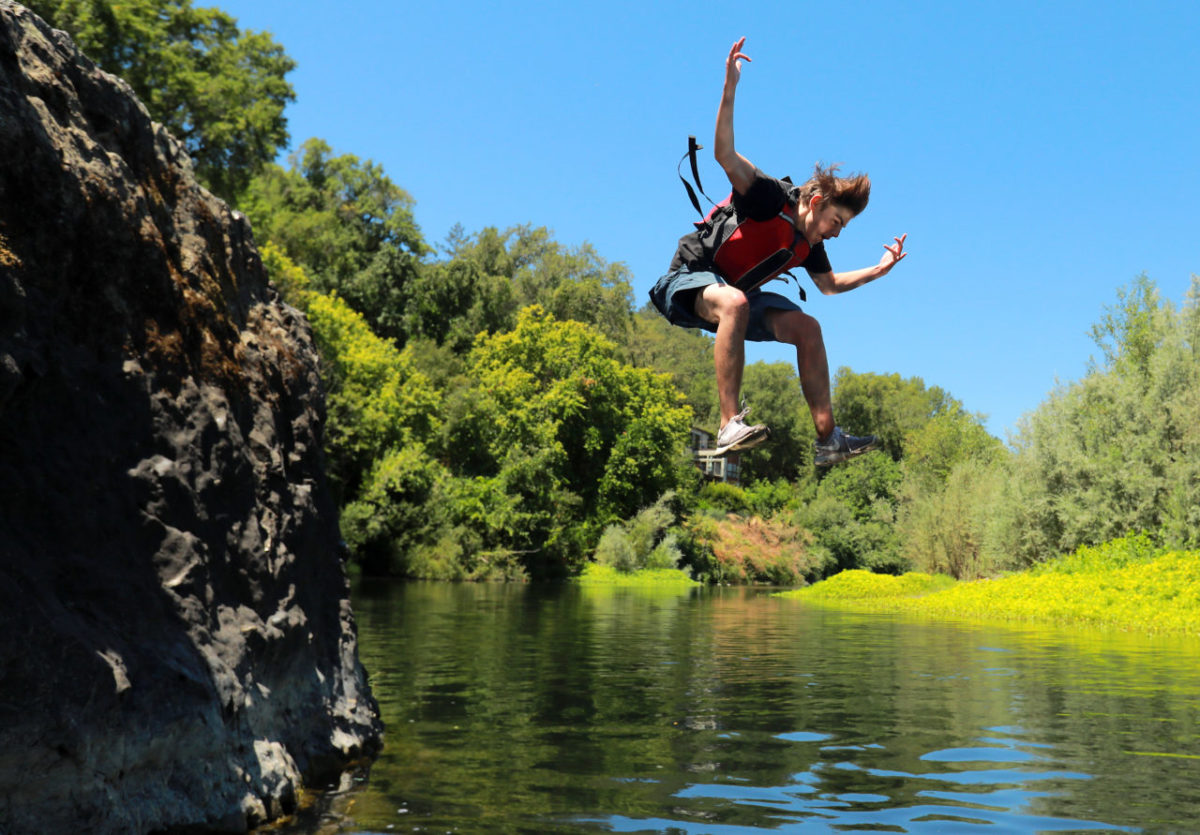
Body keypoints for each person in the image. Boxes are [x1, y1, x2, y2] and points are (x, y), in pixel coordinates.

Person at [650, 36, 907, 465]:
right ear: (818, 203)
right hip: (689, 278)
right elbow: (724, 154)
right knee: (732, 302)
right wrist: (730, 87)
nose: (837, 234)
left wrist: (878, 271)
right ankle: (729, 423)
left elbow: (829, 286)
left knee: (808, 328)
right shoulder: (770, 198)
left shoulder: (809, 244)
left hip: (738, 297)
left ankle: (829, 440)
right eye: (837, 223)